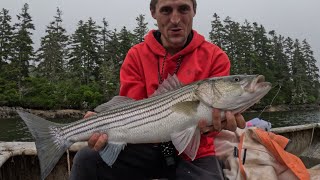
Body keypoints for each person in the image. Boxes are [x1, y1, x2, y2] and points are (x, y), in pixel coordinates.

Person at [70, 0, 246, 179]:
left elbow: (212, 120)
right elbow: (130, 113)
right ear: (153, 12)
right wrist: (104, 126)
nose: (175, 19)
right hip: (143, 147)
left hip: (197, 151)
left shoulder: (215, 57)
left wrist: (213, 127)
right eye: (166, 10)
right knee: (86, 160)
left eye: (183, 9)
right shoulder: (136, 56)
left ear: (194, 11)